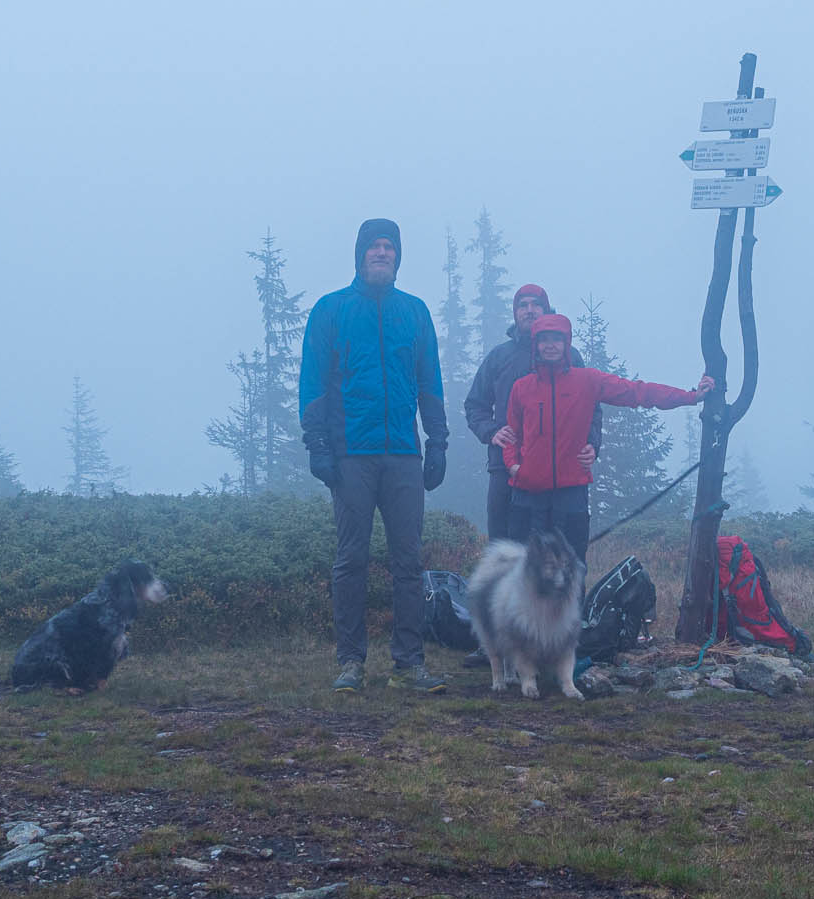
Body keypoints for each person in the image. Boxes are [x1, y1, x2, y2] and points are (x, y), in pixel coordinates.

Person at [299, 218, 449, 694]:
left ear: (398, 256)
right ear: (360, 255)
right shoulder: (331, 310)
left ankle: (409, 664)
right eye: (374, 247)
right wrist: (318, 444)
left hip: (404, 453)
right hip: (351, 455)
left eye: (389, 247)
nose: (382, 253)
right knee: (351, 559)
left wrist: (438, 441)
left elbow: (430, 381)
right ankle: (350, 661)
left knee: (408, 561)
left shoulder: (415, 312)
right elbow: (313, 380)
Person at [499, 313, 713, 565]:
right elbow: (511, 433)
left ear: (566, 343)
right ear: (535, 345)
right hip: (528, 495)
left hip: (571, 494)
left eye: (556, 339)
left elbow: (638, 392)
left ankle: (576, 607)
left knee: (571, 570)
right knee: (523, 572)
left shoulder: (587, 380)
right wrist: (513, 466)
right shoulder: (522, 387)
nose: (550, 345)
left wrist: (690, 396)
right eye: (544, 339)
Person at [460, 283, 600, 667]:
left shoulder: (571, 358)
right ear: (515, 313)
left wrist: (592, 446)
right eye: (522, 305)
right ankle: (499, 642)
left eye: (536, 304)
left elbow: (593, 411)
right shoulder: (499, 358)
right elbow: (474, 406)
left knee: (569, 555)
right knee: (507, 554)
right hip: (505, 474)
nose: (529, 310)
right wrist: (492, 431)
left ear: (548, 312)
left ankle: (567, 641)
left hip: (564, 478)